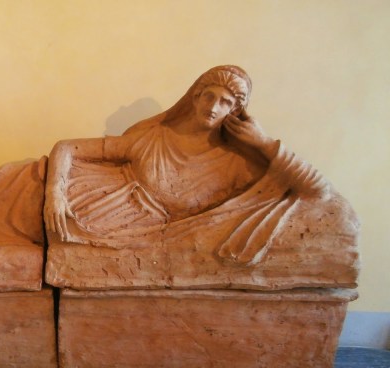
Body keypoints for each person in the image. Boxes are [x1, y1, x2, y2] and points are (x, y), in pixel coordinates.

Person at [43, 65, 331, 266]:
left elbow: (318, 192)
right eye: (209, 96)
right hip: (76, 193)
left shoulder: (238, 164)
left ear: (235, 111)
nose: (213, 107)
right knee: (25, 182)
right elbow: (67, 147)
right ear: (195, 97)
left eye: (225, 102)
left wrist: (265, 143)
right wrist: (54, 193)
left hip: (106, 224)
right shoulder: (155, 137)